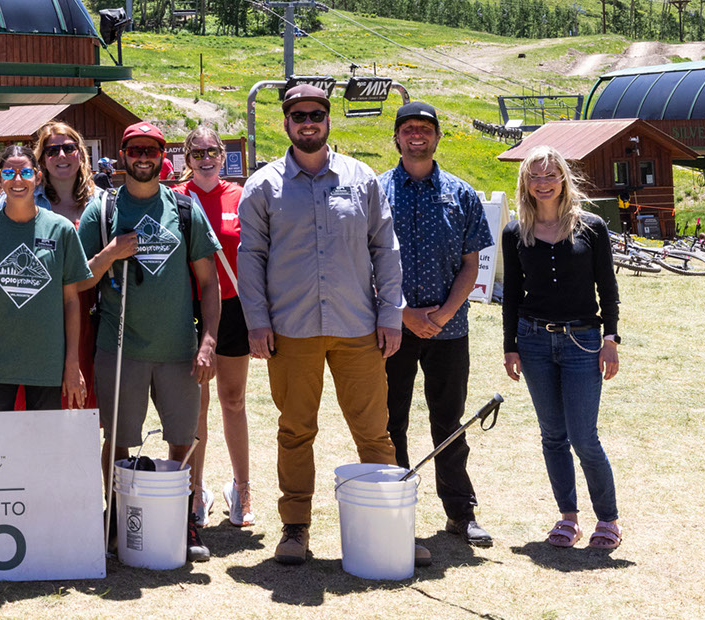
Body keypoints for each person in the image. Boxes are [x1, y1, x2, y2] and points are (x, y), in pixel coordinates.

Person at [237, 85, 404, 566]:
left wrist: (390, 315)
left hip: (357, 327)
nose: (307, 123)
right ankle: (295, 528)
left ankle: (387, 523)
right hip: (291, 330)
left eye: (315, 115)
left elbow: (385, 251)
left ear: (328, 121)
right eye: (298, 116)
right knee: (294, 431)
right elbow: (251, 259)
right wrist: (256, 323)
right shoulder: (263, 186)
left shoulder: (361, 178)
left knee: (374, 432)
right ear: (285, 123)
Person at [81, 121, 223, 564]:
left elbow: (209, 282)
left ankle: (182, 517)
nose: (143, 157)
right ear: (122, 155)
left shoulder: (184, 209)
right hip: (120, 346)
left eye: (152, 150)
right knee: (118, 440)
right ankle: (117, 518)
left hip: (179, 349)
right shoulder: (100, 211)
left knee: (183, 438)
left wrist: (208, 341)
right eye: (135, 149)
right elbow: (82, 276)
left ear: (164, 157)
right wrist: (112, 253)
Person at [377, 103, 497, 551]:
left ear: (437, 137)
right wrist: (404, 313)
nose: (416, 136)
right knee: (391, 423)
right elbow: (364, 260)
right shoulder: (377, 190)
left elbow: (472, 263)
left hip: (450, 329)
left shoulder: (461, 193)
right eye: (408, 129)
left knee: (448, 422)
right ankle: (395, 510)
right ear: (397, 137)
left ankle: (460, 514)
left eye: (425, 129)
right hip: (392, 328)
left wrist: (443, 313)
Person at [501, 145, 624, 551]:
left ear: (563, 179)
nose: (542, 183)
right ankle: (567, 518)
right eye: (534, 177)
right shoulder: (514, 232)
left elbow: (607, 287)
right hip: (533, 340)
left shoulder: (590, 227)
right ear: (525, 183)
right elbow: (513, 295)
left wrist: (611, 339)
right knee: (553, 435)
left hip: (583, 340)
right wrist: (510, 346)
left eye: (550, 175)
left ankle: (607, 519)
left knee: (584, 436)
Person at [0, 145, 93, 411]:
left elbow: (70, 302)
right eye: (9, 172)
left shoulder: (61, 230)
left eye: (25, 172)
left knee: (44, 447)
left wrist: (71, 364)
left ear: (38, 176)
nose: (17, 180)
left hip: (47, 364)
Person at [170, 125, 254, 529]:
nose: (206, 158)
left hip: (233, 307)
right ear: (187, 159)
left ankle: (242, 487)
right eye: (197, 152)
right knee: (195, 404)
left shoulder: (241, 196)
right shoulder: (175, 199)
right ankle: (196, 488)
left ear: (224, 156)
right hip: (187, 308)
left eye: (212, 152)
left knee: (233, 399)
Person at [35, 121, 108, 411]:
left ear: (81, 154)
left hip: (92, 314)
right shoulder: (24, 201)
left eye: (69, 148)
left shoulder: (103, 203)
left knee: (86, 405)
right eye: (52, 150)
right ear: (41, 159)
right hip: (42, 313)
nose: (62, 156)